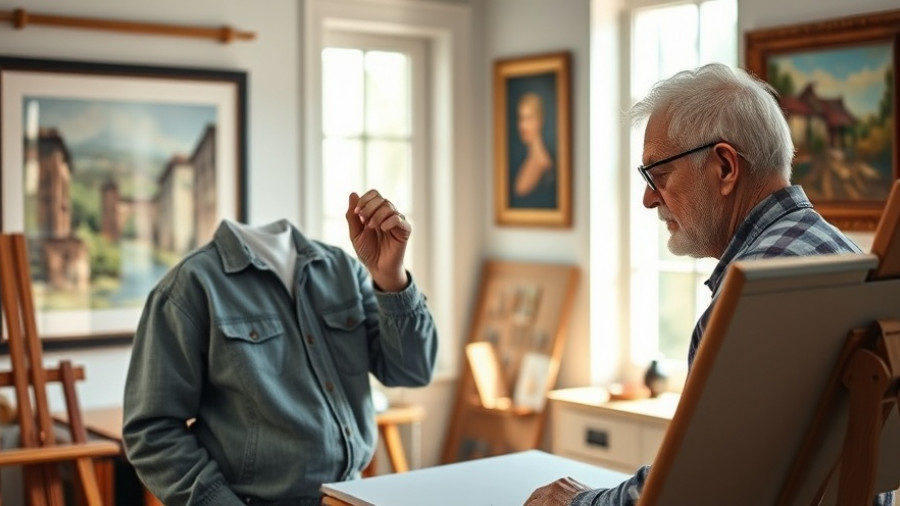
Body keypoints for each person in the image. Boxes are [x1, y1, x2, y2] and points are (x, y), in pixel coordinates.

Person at [524, 62, 894, 505]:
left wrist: (577, 504)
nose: (647, 199)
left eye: (658, 176)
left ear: (724, 167)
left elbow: (693, 491)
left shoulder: (754, 298)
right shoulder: (848, 260)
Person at [122, 189, 438, 505]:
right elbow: (152, 432)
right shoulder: (190, 287)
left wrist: (391, 277)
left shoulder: (345, 270)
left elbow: (414, 371)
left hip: (350, 497)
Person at [511, 92, 556, 209]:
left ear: (540, 120)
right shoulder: (522, 160)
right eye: (521, 118)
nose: (523, 125)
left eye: (529, 118)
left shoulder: (544, 162)